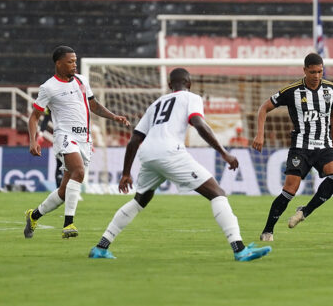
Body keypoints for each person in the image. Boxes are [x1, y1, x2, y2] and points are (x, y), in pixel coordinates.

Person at [88, 68, 272, 261]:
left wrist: (126, 173)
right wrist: (224, 153)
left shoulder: (156, 104)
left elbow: (134, 139)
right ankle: (240, 249)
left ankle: (101, 247)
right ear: (189, 83)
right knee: (217, 194)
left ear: (169, 85)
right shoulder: (191, 98)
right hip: (170, 152)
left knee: (139, 200)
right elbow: (199, 124)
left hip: (148, 153)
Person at [25, 45, 130, 239]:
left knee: (64, 191)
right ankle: (68, 224)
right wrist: (33, 141)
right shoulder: (48, 87)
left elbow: (94, 105)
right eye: (70, 61)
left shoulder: (82, 80)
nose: (74, 65)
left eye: (75, 61)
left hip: (84, 139)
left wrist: (114, 117)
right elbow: (34, 117)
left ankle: (34, 215)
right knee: (79, 172)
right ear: (58, 63)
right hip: (64, 136)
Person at [252, 53, 333, 242]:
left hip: (324, 146)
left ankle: (304, 212)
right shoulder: (292, 91)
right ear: (304, 70)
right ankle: (268, 231)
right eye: (312, 72)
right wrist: (259, 134)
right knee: (289, 191)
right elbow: (264, 108)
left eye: (320, 71)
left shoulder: (332, 89)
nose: (317, 76)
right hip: (300, 147)